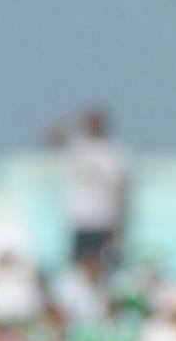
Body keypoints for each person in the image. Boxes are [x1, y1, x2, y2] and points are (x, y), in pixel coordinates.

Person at [45, 107, 129, 270]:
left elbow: (122, 191)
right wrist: (74, 122)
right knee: (78, 269)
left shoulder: (115, 153)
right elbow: (50, 136)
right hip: (80, 219)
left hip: (106, 220)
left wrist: (120, 224)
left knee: (106, 268)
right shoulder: (77, 148)